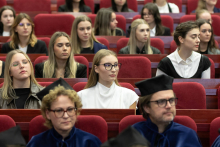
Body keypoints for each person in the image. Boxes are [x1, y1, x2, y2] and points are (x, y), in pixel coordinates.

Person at [27, 80, 102, 147]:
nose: (66, 116)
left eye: (70, 109)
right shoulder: (37, 143)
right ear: (48, 114)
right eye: (59, 111)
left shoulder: (90, 142)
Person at [133, 75, 202, 147]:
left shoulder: (187, 135)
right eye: (161, 101)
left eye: (171, 100)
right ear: (146, 107)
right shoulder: (134, 134)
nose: (169, 106)